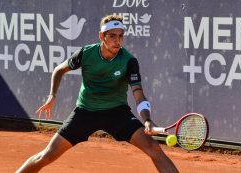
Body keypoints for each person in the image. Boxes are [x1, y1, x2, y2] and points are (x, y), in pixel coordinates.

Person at [16, 14, 179, 173]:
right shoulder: (86, 53)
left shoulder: (129, 61)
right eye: (112, 36)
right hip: (85, 112)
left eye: (121, 36)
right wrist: (52, 95)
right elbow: (59, 70)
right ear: (102, 36)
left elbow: (138, 93)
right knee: (46, 156)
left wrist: (147, 120)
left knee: (154, 149)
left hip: (117, 113)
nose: (118, 41)